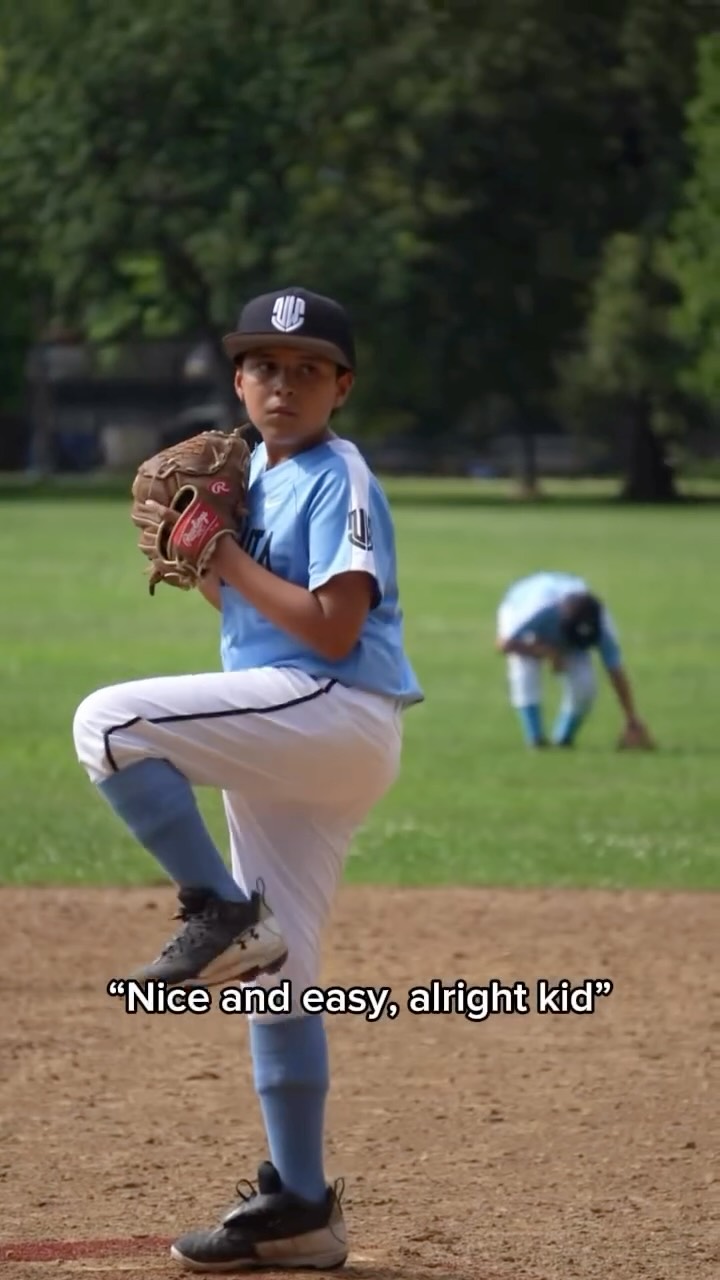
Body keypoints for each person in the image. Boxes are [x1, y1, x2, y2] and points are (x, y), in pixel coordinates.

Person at [72, 286, 424, 1272]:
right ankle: (302, 1204)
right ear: (237, 379)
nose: (283, 383)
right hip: (290, 720)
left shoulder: (337, 476)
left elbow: (332, 626)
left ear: (341, 387)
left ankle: (217, 908)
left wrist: (217, 548)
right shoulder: (252, 475)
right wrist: (208, 563)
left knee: (109, 722)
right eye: (264, 366)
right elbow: (253, 616)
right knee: (282, 974)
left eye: (308, 369)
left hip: (333, 704)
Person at [495, 570, 650, 749]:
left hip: (561, 620)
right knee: (524, 670)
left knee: (585, 686)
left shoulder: (600, 622)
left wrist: (631, 717)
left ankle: (563, 739)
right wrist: (546, 652)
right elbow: (503, 644)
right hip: (519, 605)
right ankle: (535, 739)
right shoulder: (535, 612)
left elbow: (615, 669)